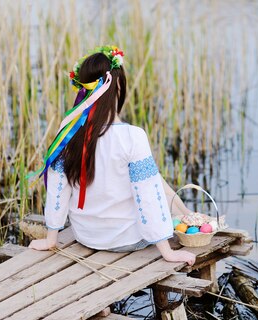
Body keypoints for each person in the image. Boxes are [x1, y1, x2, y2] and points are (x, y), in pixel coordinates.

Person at [29, 46, 196, 266]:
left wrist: (51, 239)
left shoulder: (69, 132)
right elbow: (147, 195)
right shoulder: (132, 136)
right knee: (152, 182)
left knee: (154, 178)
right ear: (117, 85)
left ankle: (188, 214)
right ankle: (190, 216)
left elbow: (59, 189)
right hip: (127, 240)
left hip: (86, 236)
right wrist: (169, 253)